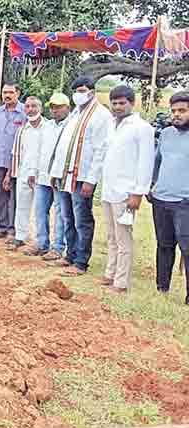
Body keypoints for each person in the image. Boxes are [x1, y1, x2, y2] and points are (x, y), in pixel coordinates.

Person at [49, 77, 112, 276]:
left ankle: (81, 261)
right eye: (76, 90)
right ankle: (70, 254)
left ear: (92, 92)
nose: (78, 94)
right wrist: (55, 172)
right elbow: (64, 147)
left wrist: (91, 180)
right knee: (67, 217)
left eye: (82, 90)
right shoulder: (76, 114)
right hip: (65, 176)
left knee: (82, 220)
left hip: (82, 178)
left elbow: (101, 150)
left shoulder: (101, 116)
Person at [98, 85, 155, 293]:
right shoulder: (112, 125)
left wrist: (138, 193)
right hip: (109, 190)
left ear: (132, 103)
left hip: (126, 192)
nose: (118, 107)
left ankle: (121, 282)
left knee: (123, 238)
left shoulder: (142, 128)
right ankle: (110, 273)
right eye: (114, 103)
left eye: (122, 103)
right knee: (111, 236)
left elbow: (145, 163)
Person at [151, 91, 189, 305]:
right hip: (162, 199)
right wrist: (151, 185)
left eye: (182, 111)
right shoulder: (165, 134)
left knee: (188, 248)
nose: (176, 115)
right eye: (173, 111)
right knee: (164, 246)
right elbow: (156, 161)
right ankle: (161, 289)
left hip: (185, 202)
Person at [28, 92, 70, 260]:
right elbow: (38, 150)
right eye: (52, 107)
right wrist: (33, 171)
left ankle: (58, 247)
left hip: (59, 176)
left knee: (60, 213)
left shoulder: (71, 126)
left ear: (67, 107)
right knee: (40, 211)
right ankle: (41, 243)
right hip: (43, 175)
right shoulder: (47, 126)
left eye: (58, 107)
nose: (55, 111)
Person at [6, 96, 46, 250]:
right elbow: (15, 153)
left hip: (40, 175)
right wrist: (10, 174)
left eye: (34, 106)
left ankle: (39, 241)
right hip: (23, 173)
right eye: (27, 107)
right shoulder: (22, 129)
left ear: (40, 108)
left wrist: (35, 171)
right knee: (21, 206)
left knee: (39, 210)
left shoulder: (47, 128)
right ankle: (20, 236)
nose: (30, 109)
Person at [0, 83, 26, 241]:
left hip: (16, 162)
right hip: (0, 160)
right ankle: (2, 227)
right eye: (5, 92)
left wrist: (12, 170)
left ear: (18, 93)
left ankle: (13, 229)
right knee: (0, 195)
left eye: (11, 92)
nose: (7, 95)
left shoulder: (24, 112)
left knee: (13, 197)